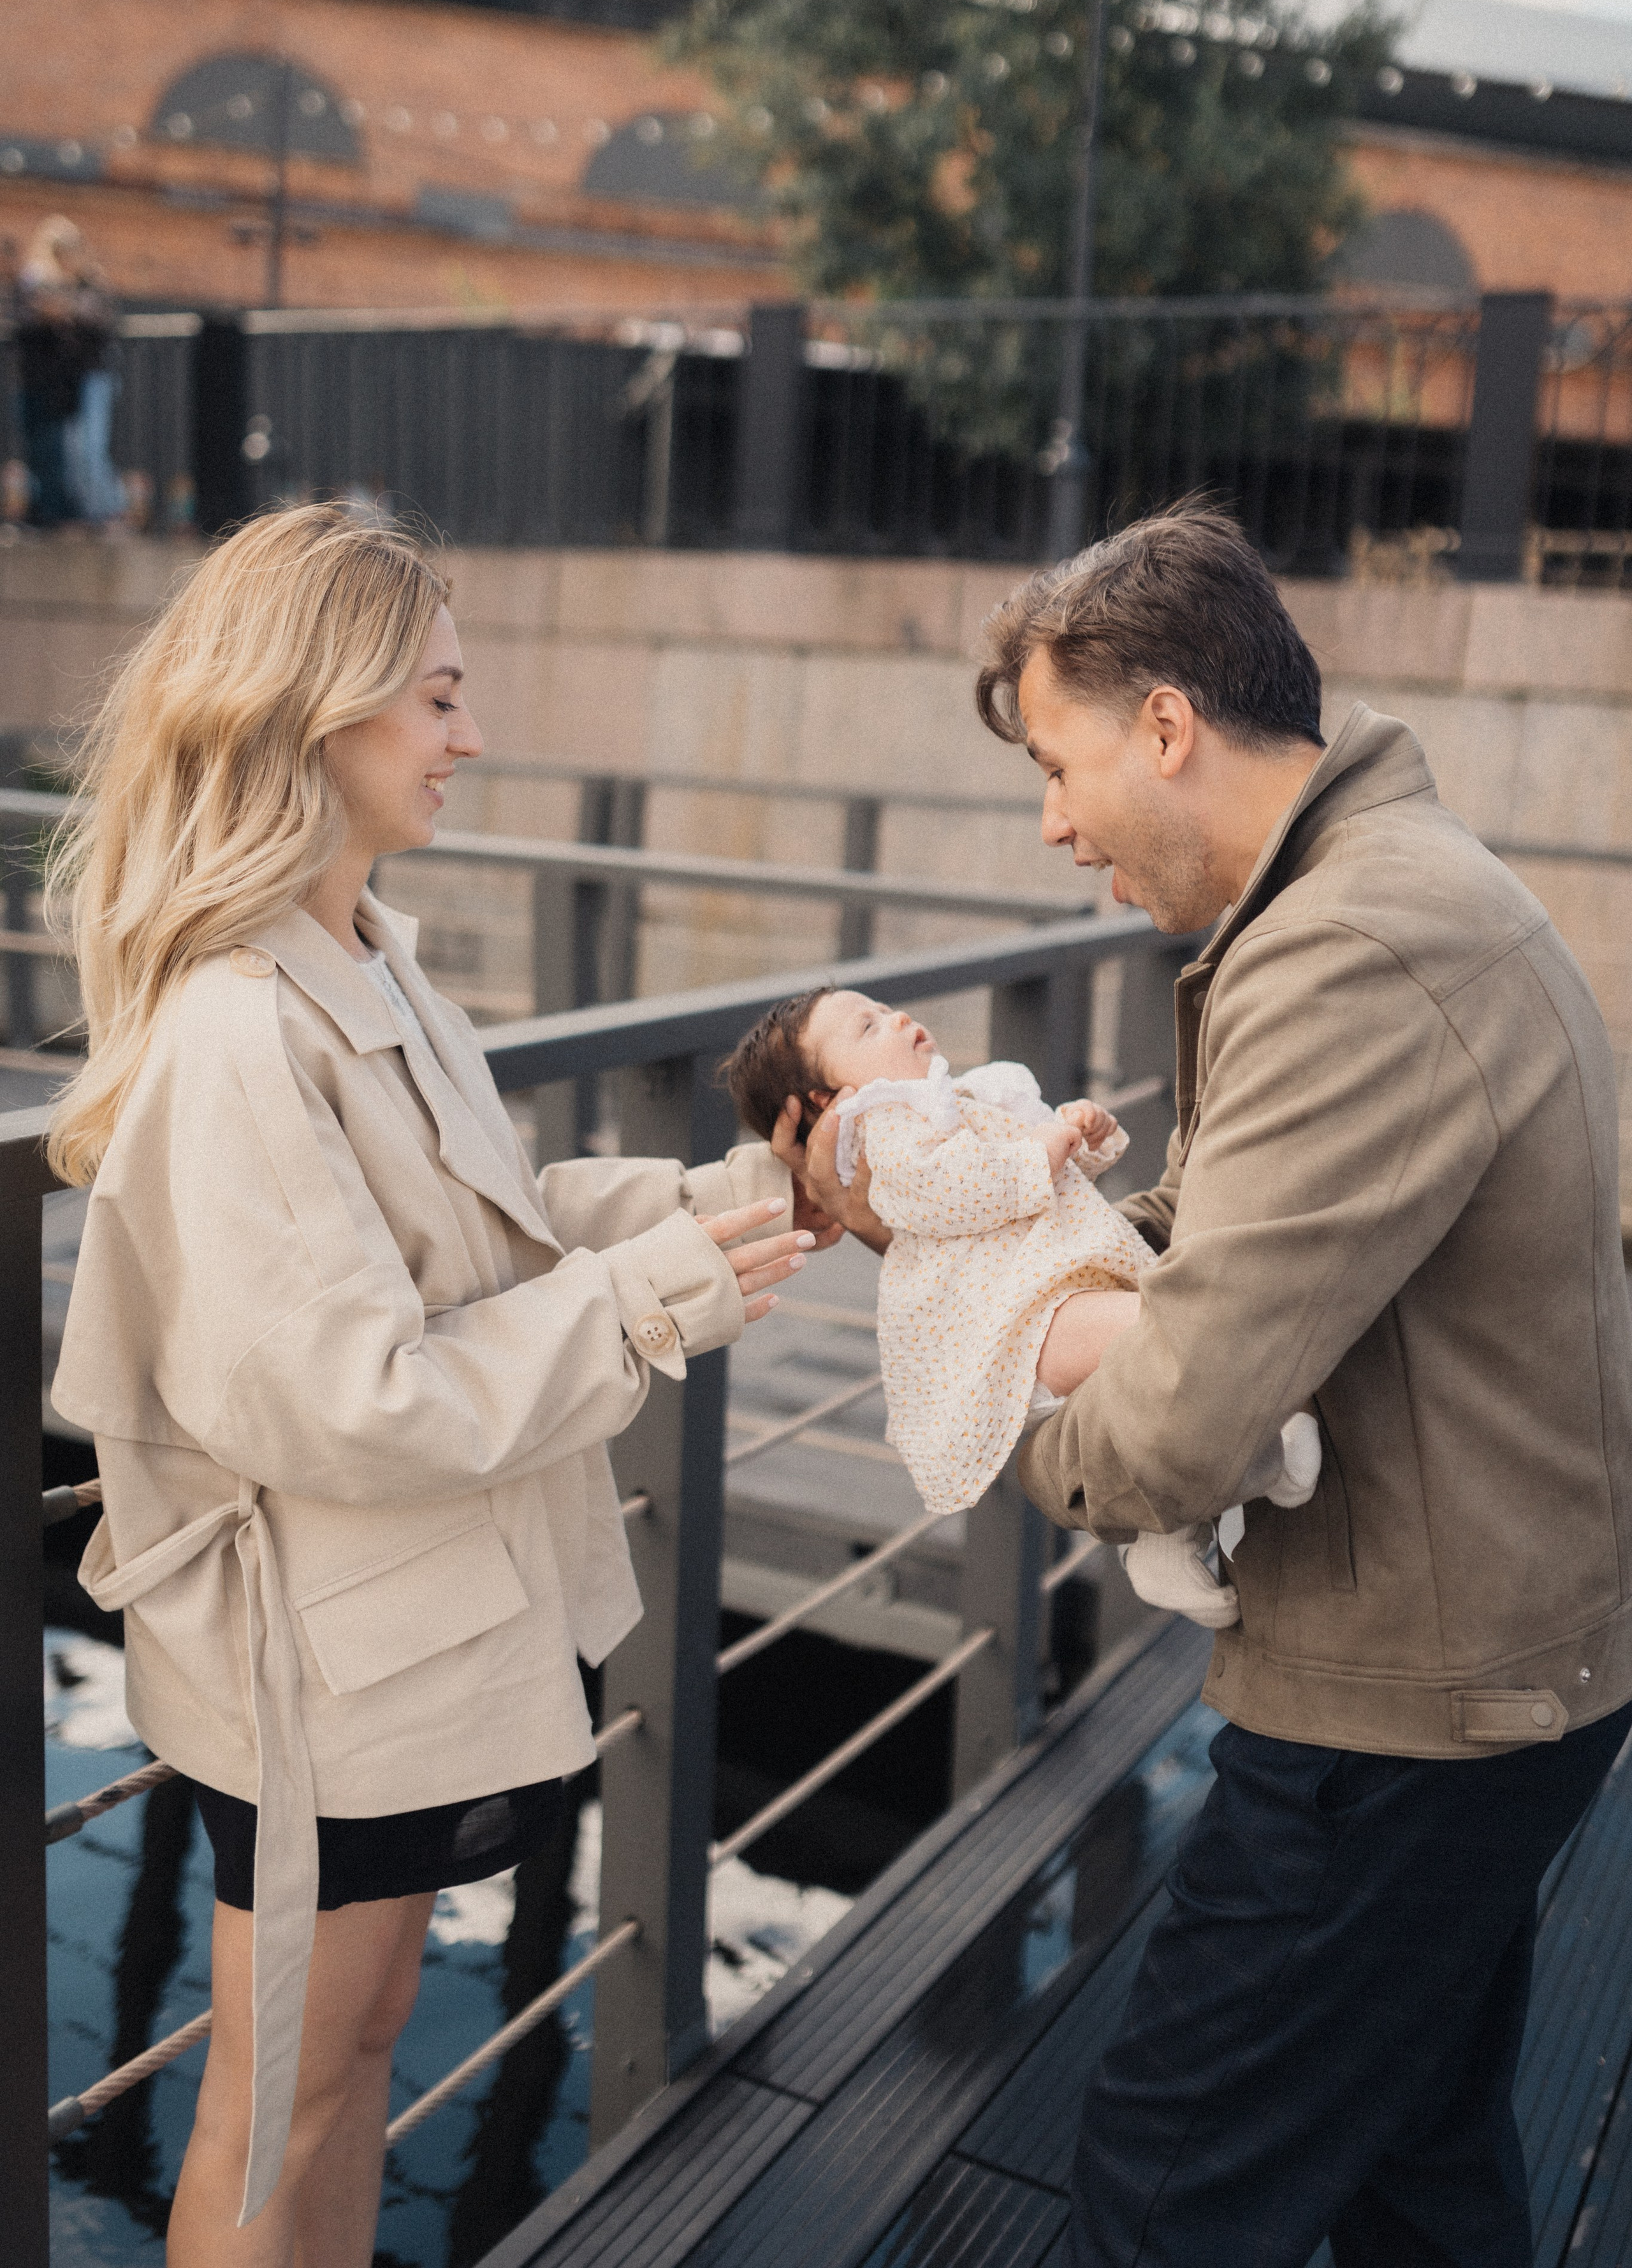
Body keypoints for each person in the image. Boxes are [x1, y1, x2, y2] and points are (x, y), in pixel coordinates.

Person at [780, 501, 1632, 2268]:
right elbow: (1245, 1231)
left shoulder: (1350, 948)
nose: (1052, 820)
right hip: (1490, 1655)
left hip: (1411, 1699)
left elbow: (1168, 1433)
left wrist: (989, 1387)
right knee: (1414, 2160)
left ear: (1165, 724)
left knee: (1166, 2188)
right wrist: (1021, 1242)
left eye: (1060, 763)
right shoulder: (1373, 891)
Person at [47, 504, 821, 2267]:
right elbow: (352, 1390)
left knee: (348, 2063)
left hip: (393, 1639)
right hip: (327, 1663)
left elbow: (480, 1229)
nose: (469, 735)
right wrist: (657, 1292)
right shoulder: (243, 1025)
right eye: (440, 697)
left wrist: (737, 1203)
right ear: (316, 715)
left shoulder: (364, 955)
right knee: (283, 2101)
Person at [724, 985, 1318, 1624]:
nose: (897, 1019)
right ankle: (1277, 1424)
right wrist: (1045, 1147)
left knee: (1157, 1380)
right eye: (867, 1028)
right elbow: (963, 1188)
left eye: (884, 1009)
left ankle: (1163, 1542)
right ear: (830, 1100)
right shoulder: (887, 1132)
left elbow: (1047, 1177)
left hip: (1055, 1297)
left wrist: (1079, 1134)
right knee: (1175, 1328)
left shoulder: (961, 1102)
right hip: (1025, 1330)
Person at [12, 215, 118, 525]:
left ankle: (106, 512)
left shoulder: (90, 283)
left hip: (89, 377)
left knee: (89, 450)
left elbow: (100, 320)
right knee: (60, 452)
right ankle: (77, 512)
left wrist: (65, 308)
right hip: (53, 381)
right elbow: (25, 317)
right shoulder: (36, 281)